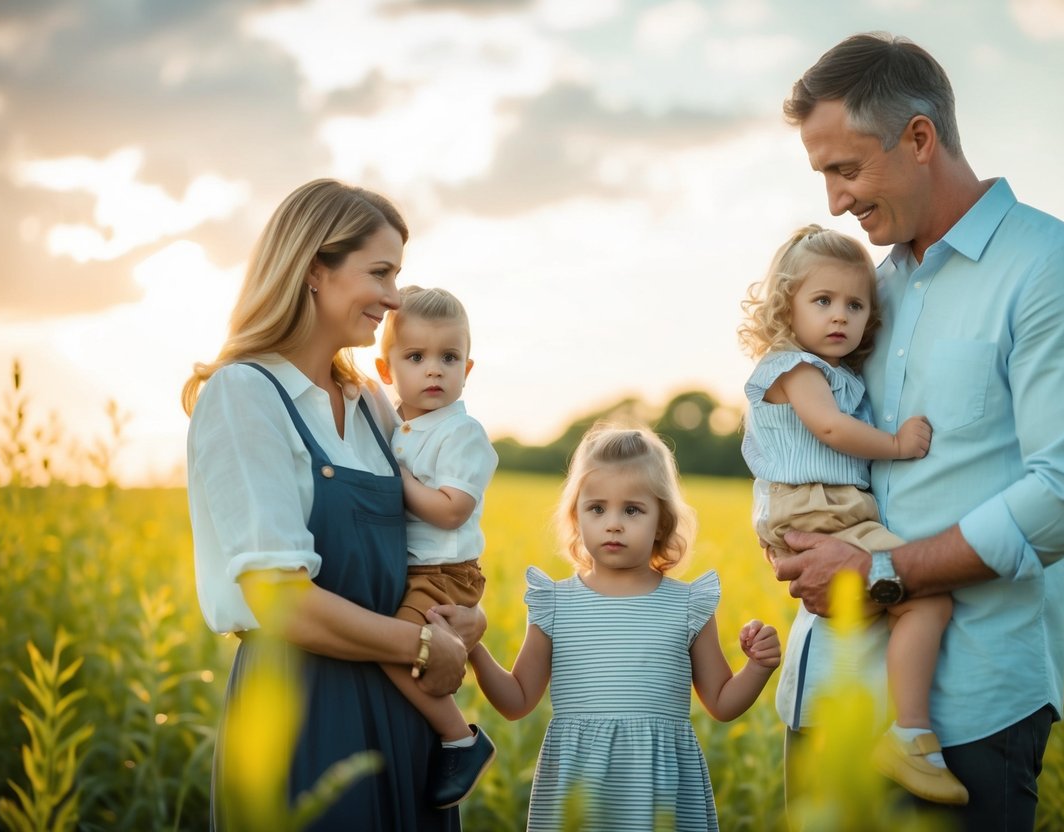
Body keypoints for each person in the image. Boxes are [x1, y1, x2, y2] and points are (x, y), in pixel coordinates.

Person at [767, 33, 1064, 830]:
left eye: (846, 169)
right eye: (821, 175)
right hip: (826, 693)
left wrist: (879, 572)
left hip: (964, 714)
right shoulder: (863, 289)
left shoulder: (1052, 271)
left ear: (920, 139)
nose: (833, 201)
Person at [184, 178, 486, 830]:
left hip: (405, 718)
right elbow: (280, 601)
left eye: (397, 274)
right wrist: (423, 647)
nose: (395, 296)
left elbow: (425, 543)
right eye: (379, 272)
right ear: (314, 269)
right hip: (305, 714)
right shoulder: (245, 394)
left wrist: (463, 617)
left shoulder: (375, 405)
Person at [739, 224, 966, 805]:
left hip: (827, 507)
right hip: (817, 507)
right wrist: (896, 444)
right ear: (788, 307)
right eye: (823, 301)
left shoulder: (836, 372)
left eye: (855, 304)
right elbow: (830, 429)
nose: (840, 316)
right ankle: (909, 735)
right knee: (925, 593)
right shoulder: (794, 368)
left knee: (893, 601)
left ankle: (894, 731)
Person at [467, 424, 782, 831]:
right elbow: (517, 701)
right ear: (575, 516)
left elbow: (721, 703)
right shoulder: (555, 602)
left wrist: (758, 666)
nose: (613, 523)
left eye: (632, 510)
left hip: (661, 791)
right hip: (578, 786)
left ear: (663, 523)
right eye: (597, 508)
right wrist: (473, 646)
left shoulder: (688, 604)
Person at [374, 285, 499, 808]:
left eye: (449, 357)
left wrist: (396, 479)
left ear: (467, 369)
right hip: (419, 569)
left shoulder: (460, 433)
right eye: (416, 356)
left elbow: (452, 509)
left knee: (392, 646)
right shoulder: (398, 424)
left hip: (445, 572)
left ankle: (461, 740)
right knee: (401, 647)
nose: (433, 370)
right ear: (386, 371)